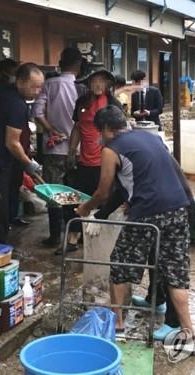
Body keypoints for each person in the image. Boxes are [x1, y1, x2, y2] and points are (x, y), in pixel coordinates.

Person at [76, 105, 195, 358]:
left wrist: (84, 208)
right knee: (175, 273)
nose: (100, 137)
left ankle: (118, 325)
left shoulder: (111, 149)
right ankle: (189, 334)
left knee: (119, 265)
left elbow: (103, 192)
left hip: (149, 213)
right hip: (178, 208)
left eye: (101, 132)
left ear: (108, 130)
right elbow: (156, 172)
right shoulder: (151, 137)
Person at [0, 63, 44, 243]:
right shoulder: (17, 105)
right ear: (20, 82)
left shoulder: (3, 92)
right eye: (34, 87)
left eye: (40, 87)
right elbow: (12, 142)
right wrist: (29, 163)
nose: (37, 92)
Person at [58, 67, 122, 256]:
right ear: (88, 84)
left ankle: (100, 241)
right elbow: (77, 127)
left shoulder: (113, 104)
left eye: (102, 81)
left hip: (105, 162)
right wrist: (71, 151)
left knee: (103, 199)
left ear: (109, 84)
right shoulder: (81, 102)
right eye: (94, 81)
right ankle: (73, 239)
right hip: (84, 161)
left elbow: (119, 132)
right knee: (75, 199)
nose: (98, 85)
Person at [32, 48, 83, 247]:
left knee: (54, 193)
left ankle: (54, 237)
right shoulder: (81, 87)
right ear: (79, 66)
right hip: (76, 151)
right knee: (74, 193)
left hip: (53, 150)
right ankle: (74, 236)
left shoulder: (49, 84)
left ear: (60, 62)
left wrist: (50, 129)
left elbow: (37, 111)